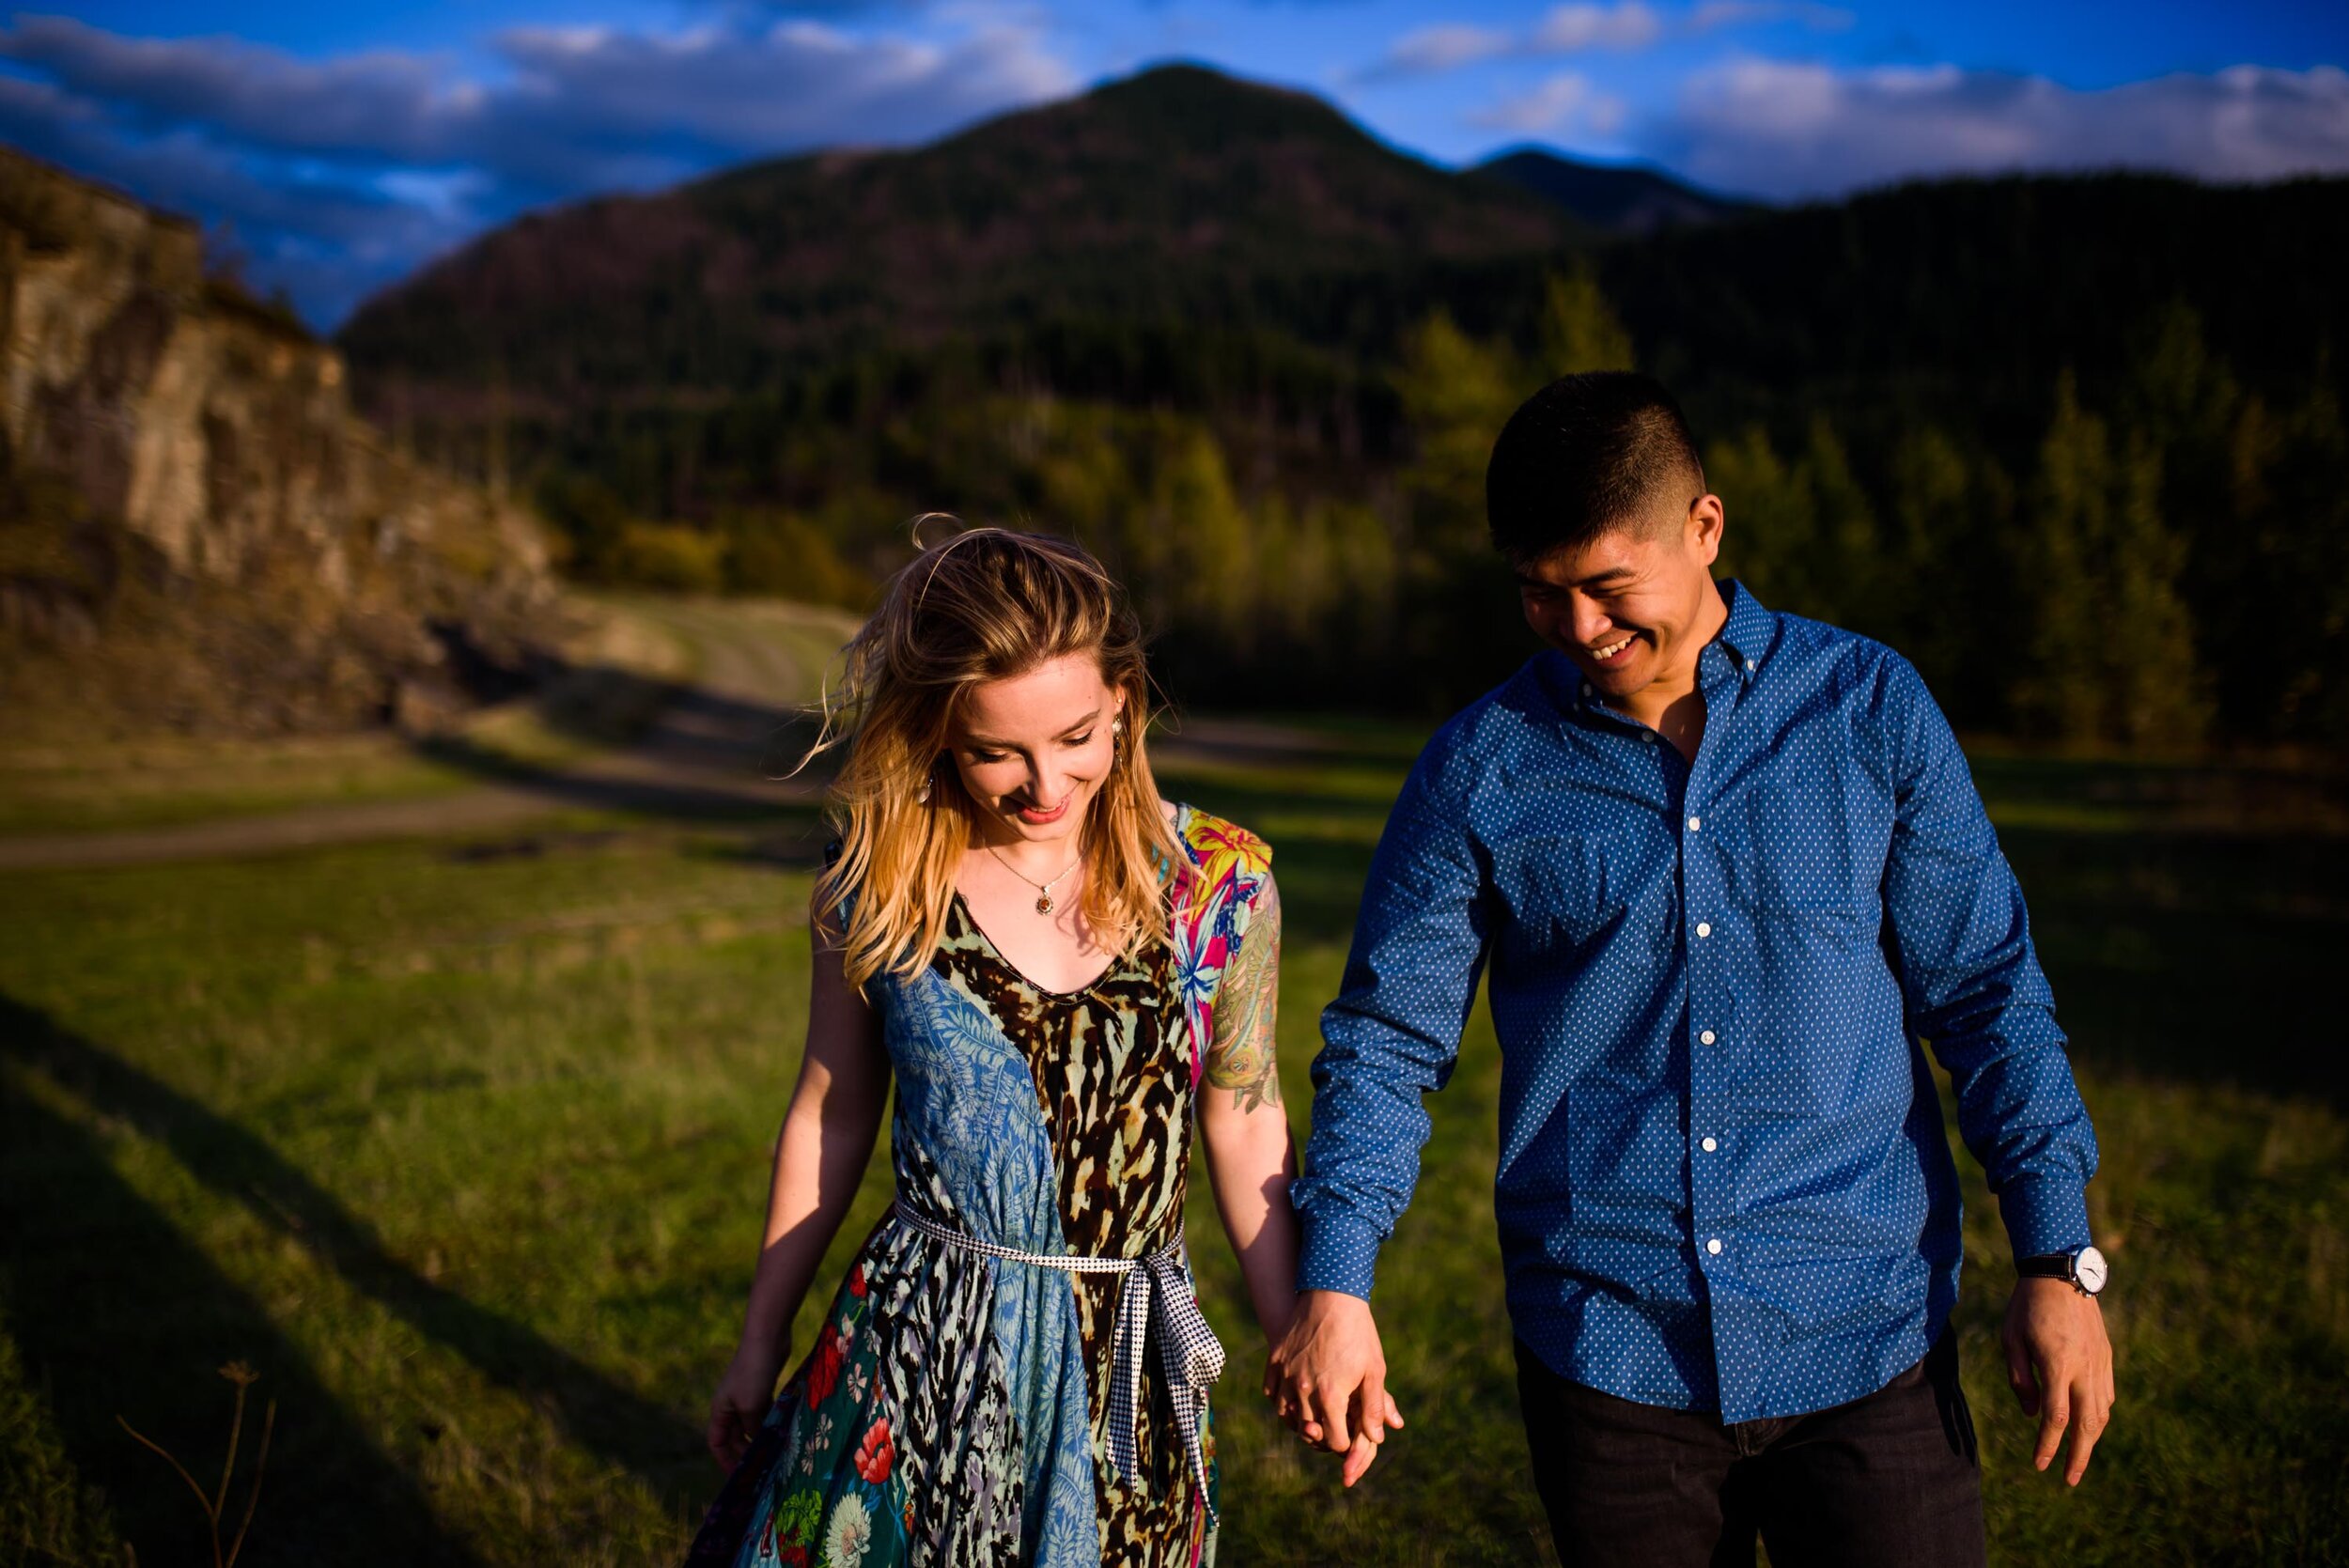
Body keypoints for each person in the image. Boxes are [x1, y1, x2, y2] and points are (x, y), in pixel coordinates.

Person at [1264, 373, 2116, 1565]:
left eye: (1608, 588)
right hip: (1608, 1356)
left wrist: (2054, 1257)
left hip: (1869, 1343)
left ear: (1704, 529)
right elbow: (1385, 1041)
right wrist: (1338, 1284)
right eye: (1537, 594)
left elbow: (1986, 991)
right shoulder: (1477, 767)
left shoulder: (1868, 709)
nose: (1577, 629)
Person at [683, 527, 1311, 1566]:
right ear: (935, 731)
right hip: (919, 1357)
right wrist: (761, 1338)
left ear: (1122, 698)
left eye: (1073, 735)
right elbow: (831, 1112)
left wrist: (1292, 1329)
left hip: (1128, 1372)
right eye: (992, 751)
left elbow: (1244, 1113)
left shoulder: (1218, 884)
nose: (1042, 784)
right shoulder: (882, 881)